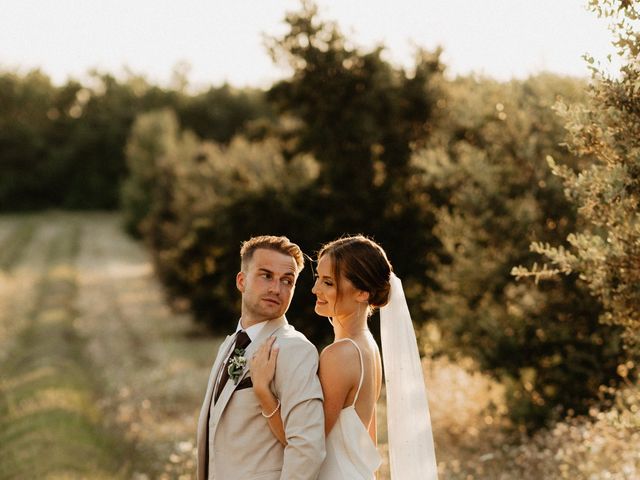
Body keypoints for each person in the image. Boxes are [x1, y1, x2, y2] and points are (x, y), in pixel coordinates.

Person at [251, 235, 438, 480]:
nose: (315, 288)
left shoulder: (340, 355)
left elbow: (305, 443)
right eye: (318, 278)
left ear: (362, 292)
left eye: (328, 282)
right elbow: (367, 438)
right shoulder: (367, 346)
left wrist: (263, 391)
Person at [196, 235, 326, 480]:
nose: (276, 289)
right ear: (242, 281)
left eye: (287, 281)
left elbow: (307, 448)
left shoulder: (295, 349)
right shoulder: (229, 344)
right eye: (266, 276)